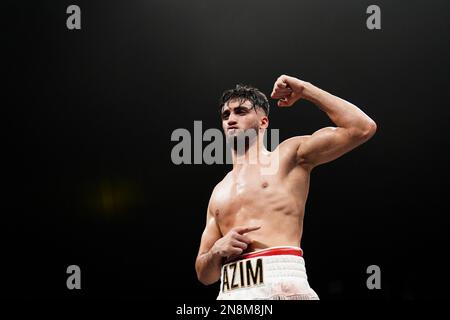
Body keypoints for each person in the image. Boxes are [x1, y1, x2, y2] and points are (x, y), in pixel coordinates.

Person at [195, 74, 377, 300]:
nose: (231, 118)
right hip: (231, 292)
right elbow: (204, 274)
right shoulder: (219, 191)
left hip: (280, 277)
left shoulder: (288, 156)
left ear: (263, 122)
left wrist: (305, 89)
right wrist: (217, 251)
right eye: (226, 114)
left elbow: (362, 128)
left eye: (241, 111)